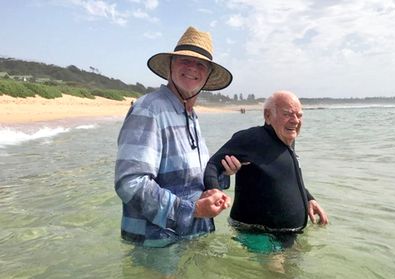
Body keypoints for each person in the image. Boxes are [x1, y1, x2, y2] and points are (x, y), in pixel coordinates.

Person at [114, 26, 239, 248]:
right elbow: (130, 183)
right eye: (184, 61)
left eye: (201, 64)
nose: (193, 68)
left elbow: (187, 182)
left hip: (190, 240)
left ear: (207, 75)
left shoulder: (190, 115)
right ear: (171, 66)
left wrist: (218, 180)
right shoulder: (149, 109)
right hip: (158, 246)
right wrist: (195, 210)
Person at [204, 90, 329, 253]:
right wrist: (214, 191)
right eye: (288, 114)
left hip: (287, 233)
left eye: (299, 115)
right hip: (257, 232)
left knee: (292, 273)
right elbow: (212, 164)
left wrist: (309, 199)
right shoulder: (251, 138)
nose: (295, 120)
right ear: (268, 115)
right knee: (278, 276)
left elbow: (287, 178)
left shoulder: (286, 140)